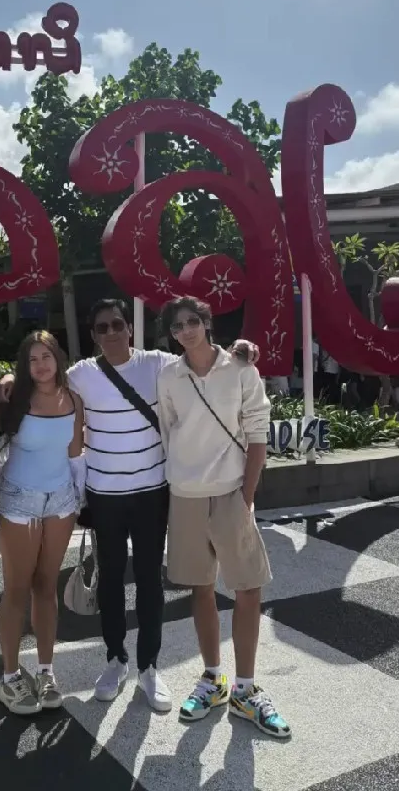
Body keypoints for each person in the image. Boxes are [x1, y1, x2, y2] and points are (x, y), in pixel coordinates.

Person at [0, 298, 258, 714]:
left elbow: (201, 358)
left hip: (153, 490)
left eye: (118, 324)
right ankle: (116, 659)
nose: (112, 333)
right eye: (102, 328)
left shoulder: (158, 364)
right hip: (104, 494)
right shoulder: (81, 375)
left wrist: (239, 349)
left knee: (152, 581)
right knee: (112, 579)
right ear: (93, 335)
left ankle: (149, 665)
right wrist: (9, 375)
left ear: (130, 329)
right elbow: (41, 376)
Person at [156, 296, 290, 738]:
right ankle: (213, 677)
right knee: (201, 588)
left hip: (231, 491)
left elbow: (257, 431)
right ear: (171, 333)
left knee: (248, 586)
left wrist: (247, 493)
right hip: (186, 494)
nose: (186, 330)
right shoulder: (169, 375)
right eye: (178, 326)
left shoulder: (240, 368)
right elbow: (168, 429)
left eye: (193, 321)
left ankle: (247, 688)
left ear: (207, 323)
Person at [0, 331, 85, 715]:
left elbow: (76, 451)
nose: (40, 365)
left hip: (61, 500)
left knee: (47, 585)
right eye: (32, 359)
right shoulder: (13, 397)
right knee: (17, 588)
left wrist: (83, 500)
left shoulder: (74, 398)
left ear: (58, 358)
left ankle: (46, 670)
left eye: (46, 356)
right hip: (19, 499)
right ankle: (11, 676)